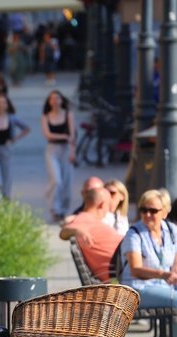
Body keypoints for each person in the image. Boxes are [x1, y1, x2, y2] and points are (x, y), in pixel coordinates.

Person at [119, 189, 177, 337]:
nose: (148, 214)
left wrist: (173, 273)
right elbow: (136, 269)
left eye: (153, 211)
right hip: (138, 289)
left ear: (165, 212)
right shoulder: (134, 233)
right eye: (144, 210)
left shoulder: (171, 230)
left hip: (164, 286)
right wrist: (164, 274)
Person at [59, 187, 120, 281]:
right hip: (119, 272)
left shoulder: (90, 219)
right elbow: (63, 233)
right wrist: (76, 231)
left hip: (123, 264)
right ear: (102, 205)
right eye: (108, 206)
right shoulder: (84, 219)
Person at [0, 94, 30, 199]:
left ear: (7, 105)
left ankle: (6, 201)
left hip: (6, 150)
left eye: (3, 102)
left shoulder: (11, 118)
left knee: (7, 179)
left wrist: (14, 139)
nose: (0, 105)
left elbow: (26, 128)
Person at [41, 90, 76, 222]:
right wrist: (64, 136)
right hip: (52, 150)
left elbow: (72, 135)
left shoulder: (68, 115)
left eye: (57, 98)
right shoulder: (45, 116)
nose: (55, 101)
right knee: (56, 180)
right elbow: (48, 135)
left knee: (66, 182)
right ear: (49, 102)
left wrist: (73, 151)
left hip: (66, 149)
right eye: (52, 99)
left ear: (62, 100)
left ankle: (62, 210)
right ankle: (53, 208)